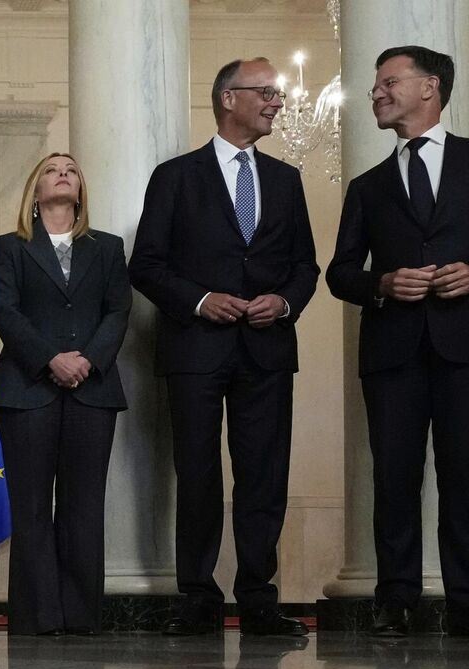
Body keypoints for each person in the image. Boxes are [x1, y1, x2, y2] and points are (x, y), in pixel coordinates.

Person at [327, 46, 469, 639]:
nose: (376, 92)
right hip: (392, 348)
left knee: (463, 472)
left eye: (387, 81)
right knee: (394, 477)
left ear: (430, 87)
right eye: (376, 84)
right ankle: (394, 601)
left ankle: (468, 603)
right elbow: (339, 272)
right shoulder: (367, 186)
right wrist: (381, 283)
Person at [129, 57, 320, 637]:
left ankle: (259, 600)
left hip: (266, 350)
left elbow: (305, 267)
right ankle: (198, 599)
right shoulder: (175, 176)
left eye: (277, 94)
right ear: (228, 99)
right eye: (265, 92)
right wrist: (199, 299)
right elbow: (147, 266)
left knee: (264, 476)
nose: (276, 102)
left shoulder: (287, 181)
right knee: (198, 474)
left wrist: (283, 302)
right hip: (195, 349)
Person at [0, 153, 130, 636]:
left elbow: (117, 311)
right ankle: (37, 617)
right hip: (28, 390)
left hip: (94, 389)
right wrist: (52, 358)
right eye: (51, 169)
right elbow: (7, 312)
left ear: (81, 190)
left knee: (83, 508)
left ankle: (80, 616)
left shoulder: (108, 248)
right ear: (35, 190)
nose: (63, 173)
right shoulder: (10, 247)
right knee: (31, 507)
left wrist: (86, 359)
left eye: (71, 169)